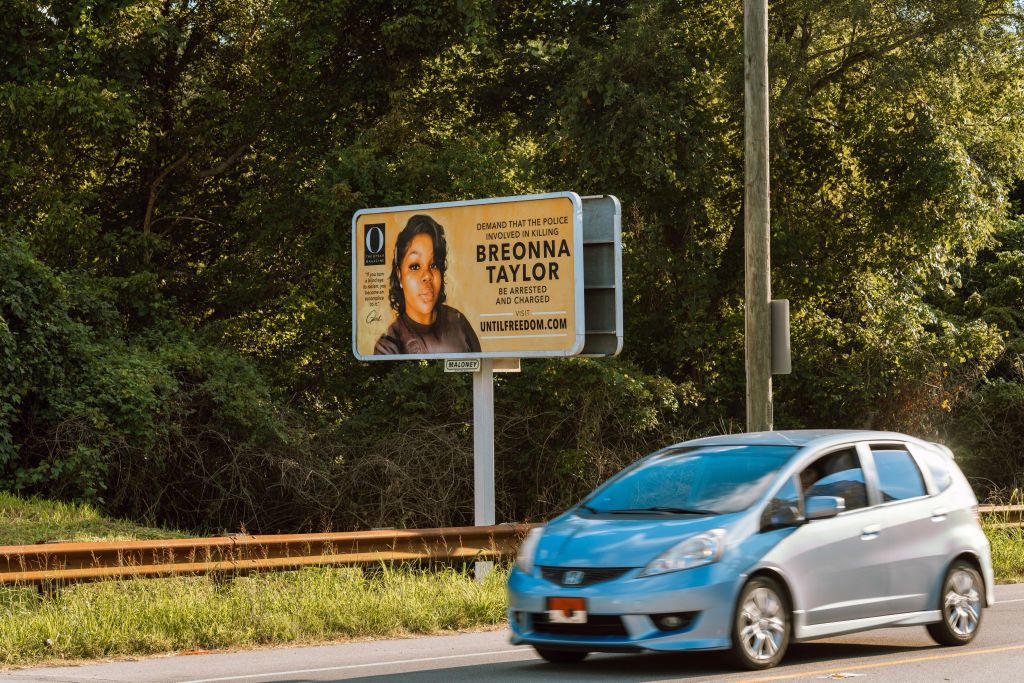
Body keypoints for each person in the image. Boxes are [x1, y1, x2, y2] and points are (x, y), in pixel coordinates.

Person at [374, 214, 481, 355]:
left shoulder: (458, 322)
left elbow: (480, 367)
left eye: (434, 264)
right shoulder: (388, 345)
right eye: (415, 266)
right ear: (400, 276)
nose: (427, 275)